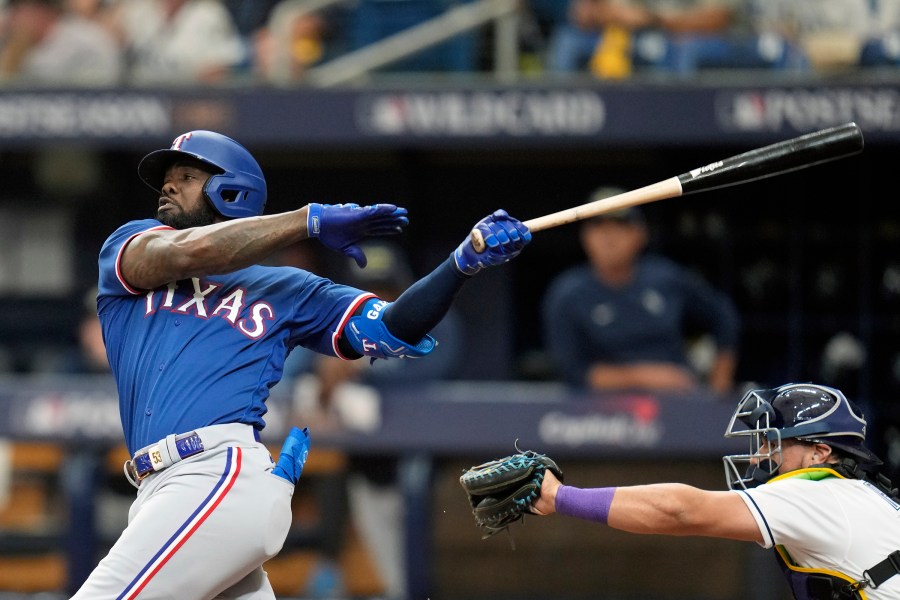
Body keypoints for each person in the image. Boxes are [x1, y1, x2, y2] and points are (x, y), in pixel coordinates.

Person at [75, 129, 530, 598]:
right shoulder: (130, 247)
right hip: (158, 490)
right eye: (166, 180)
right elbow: (189, 251)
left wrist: (459, 265)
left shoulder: (289, 289)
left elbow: (393, 327)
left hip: (214, 475)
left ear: (231, 192)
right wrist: (306, 221)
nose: (167, 187)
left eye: (186, 176)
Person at [531, 382, 900, 600]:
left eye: (773, 444)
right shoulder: (852, 496)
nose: (758, 458)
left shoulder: (816, 492)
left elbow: (681, 511)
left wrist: (560, 497)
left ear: (820, 452)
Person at [541, 187, 740, 394]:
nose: (608, 237)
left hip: (678, 402)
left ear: (640, 234)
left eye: (620, 225)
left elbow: (723, 315)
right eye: (598, 226)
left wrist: (720, 380)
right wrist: (647, 377)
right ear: (585, 236)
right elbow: (572, 370)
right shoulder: (567, 293)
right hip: (598, 414)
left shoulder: (666, 277)